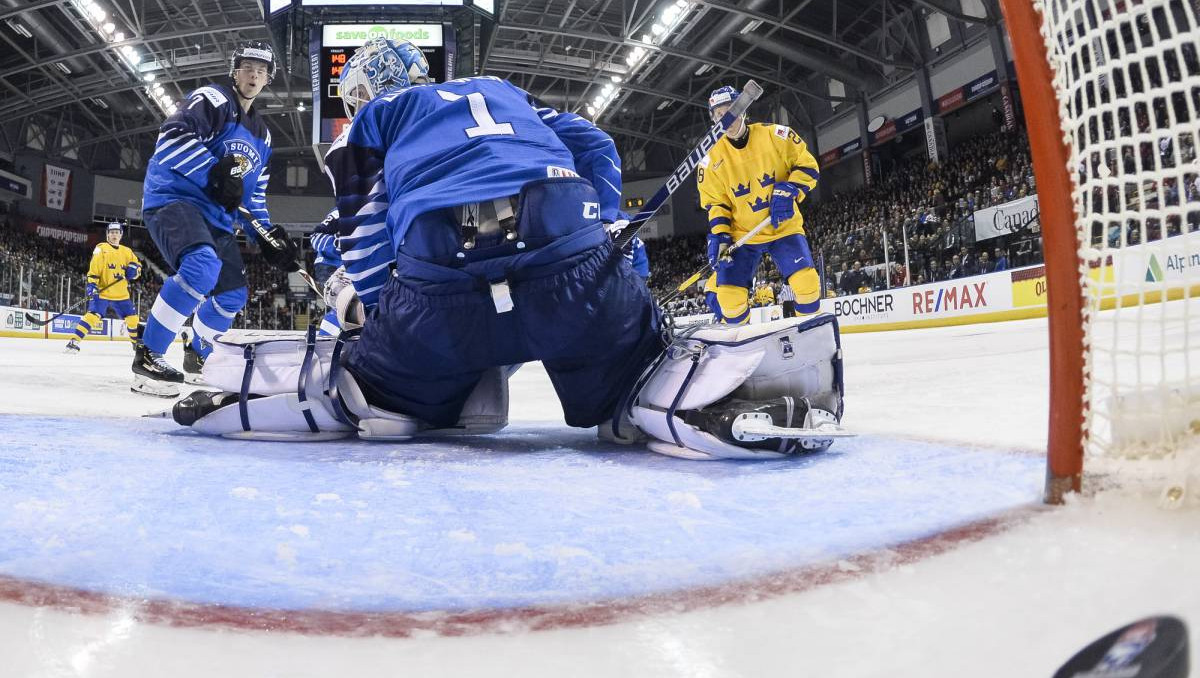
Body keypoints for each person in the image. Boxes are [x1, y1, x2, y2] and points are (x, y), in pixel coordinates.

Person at [323, 37, 660, 433]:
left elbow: (364, 230)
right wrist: (604, 222)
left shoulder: (376, 115)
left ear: (370, 87)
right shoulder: (500, 88)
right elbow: (595, 143)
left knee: (388, 396)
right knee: (627, 382)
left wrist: (381, 317)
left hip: (443, 284)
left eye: (356, 96)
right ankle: (628, 399)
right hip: (567, 250)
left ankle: (414, 400)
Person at [133, 40, 298, 395]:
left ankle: (197, 354)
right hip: (175, 198)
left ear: (268, 78)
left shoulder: (264, 136)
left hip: (216, 219)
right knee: (200, 267)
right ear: (234, 71)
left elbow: (251, 195)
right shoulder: (212, 99)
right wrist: (214, 174)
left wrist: (267, 236)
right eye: (247, 67)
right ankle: (148, 357)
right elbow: (172, 138)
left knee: (234, 296)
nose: (254, 74)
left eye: (261, 69)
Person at [698, 85, 821, 324]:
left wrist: (791, 190)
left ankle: (807, 336)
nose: (728, 119)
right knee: (730, 303)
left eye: (732, 111)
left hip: (782, 227)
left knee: (808, 285)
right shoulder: (710, 159)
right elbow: (717, 204)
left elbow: (808, 167)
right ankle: (738, 346)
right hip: (742, 235)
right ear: (713, 120)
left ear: (744, 110)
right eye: (720, 115)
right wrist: (720, 236)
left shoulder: (776, 135)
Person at [64, 222, 141, 353]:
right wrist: (92, 285)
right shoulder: (101, 248)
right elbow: (94, 270)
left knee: (133, 319)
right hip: (103, 291)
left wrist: (135, 271)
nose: (114, 235)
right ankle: (73, 342)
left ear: (121, 234)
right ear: (107, 235)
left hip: (121, 294)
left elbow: (137, 267)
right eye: (111, 232)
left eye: (117, 232)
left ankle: (136, 344)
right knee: (93, 315)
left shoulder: (127, 252)